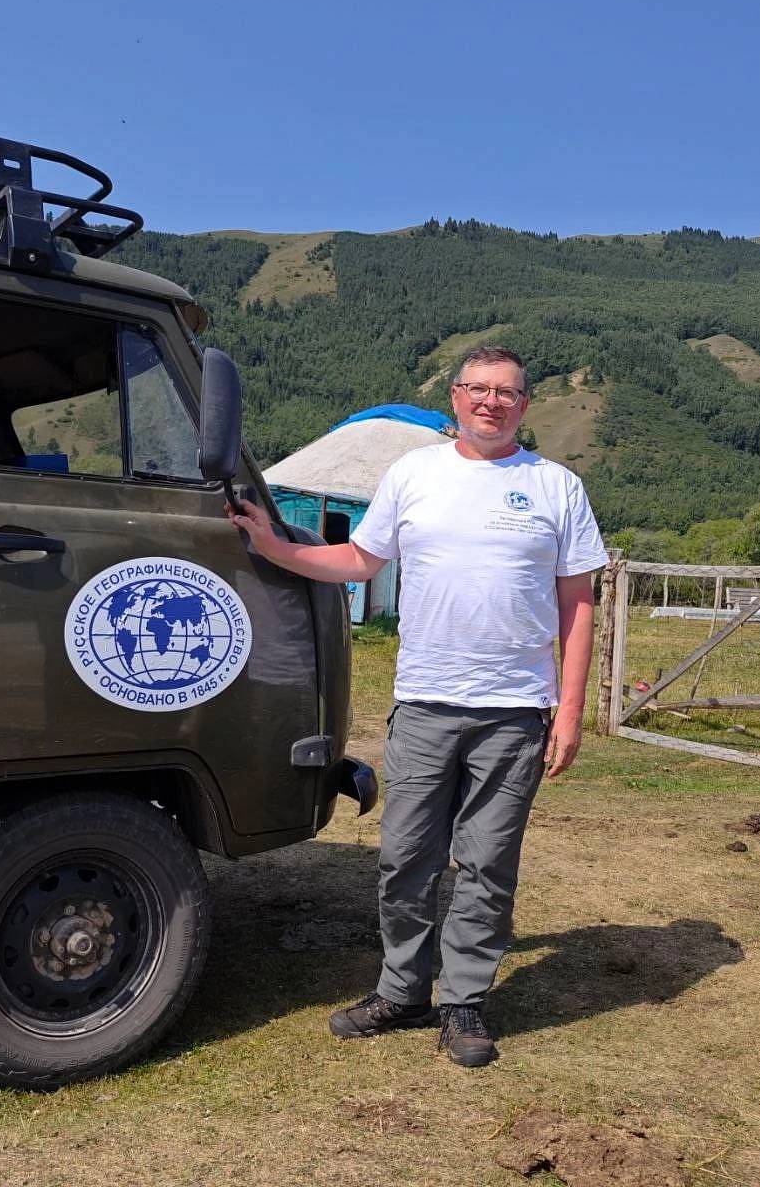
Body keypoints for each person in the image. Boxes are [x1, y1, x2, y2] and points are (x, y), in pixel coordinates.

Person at [226, 347, 608, 1067]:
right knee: (405, 859)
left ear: (525, 405)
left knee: (486, 865)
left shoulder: (556, 486)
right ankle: (402, 992)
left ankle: (463, 1003)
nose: (491, 401)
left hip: (514, 711)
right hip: (426, 705)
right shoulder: (412, 473)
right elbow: (358, 561)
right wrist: (275, 548)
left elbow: (577, 603)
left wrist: (569, 710)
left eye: (507, 392)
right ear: (455, 397)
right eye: (478, 389)